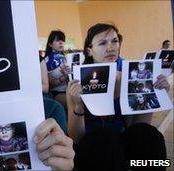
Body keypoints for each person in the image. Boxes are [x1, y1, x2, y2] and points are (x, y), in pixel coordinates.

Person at [66, 23, 169, 170]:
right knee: (104, 140)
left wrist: (151, 96)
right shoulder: (77, 83)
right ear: (89, 50)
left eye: (115, 41)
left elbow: (137, 127)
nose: (111, 47)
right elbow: (76, 138)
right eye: (102, 43)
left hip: (122, 148)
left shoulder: (126, 78)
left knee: (150, 135)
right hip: (93, 152)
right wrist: (78, 105)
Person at [44, 30, 70, 108]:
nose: (61, 42)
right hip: (57, 93)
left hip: (71, 90)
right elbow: (48, 85)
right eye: (58, 40)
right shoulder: (46, 61)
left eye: (63, 40)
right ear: (50, 44)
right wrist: (63, 78)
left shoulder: (67, 58)